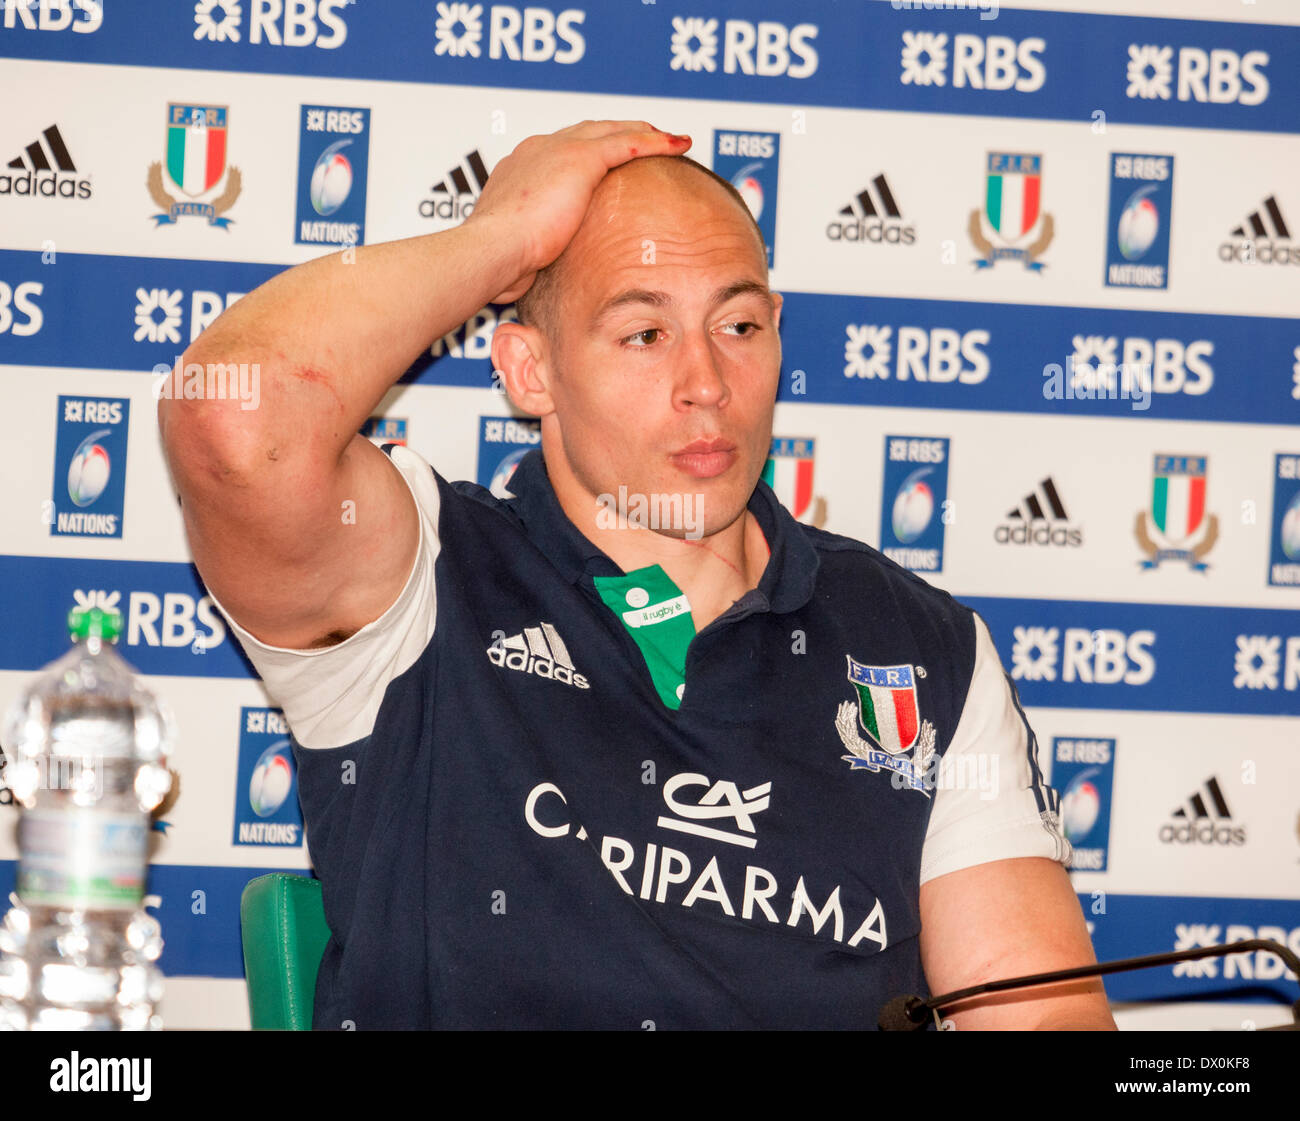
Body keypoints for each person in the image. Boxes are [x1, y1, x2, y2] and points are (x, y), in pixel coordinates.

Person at [158, 120, 1115, 1030]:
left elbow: (1038, 1010)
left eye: (738, 325)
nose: (706, 381)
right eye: (644, 334)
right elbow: (234, 425)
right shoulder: (426, 576)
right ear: (529, 372)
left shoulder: (917, 646)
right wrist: (501, 241)